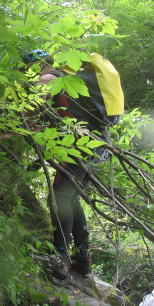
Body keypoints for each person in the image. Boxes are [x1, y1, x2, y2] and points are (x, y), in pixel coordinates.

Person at [19, 49, 95, 278]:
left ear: (36, 66)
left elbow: (28, 114)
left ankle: (60, 258)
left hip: (76, 147)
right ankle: (83, 258)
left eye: (27, 68)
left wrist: (18, 130)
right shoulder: (68, 79)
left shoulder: (47, 80)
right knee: (70, 197)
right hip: (95, 146)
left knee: (60, 197)